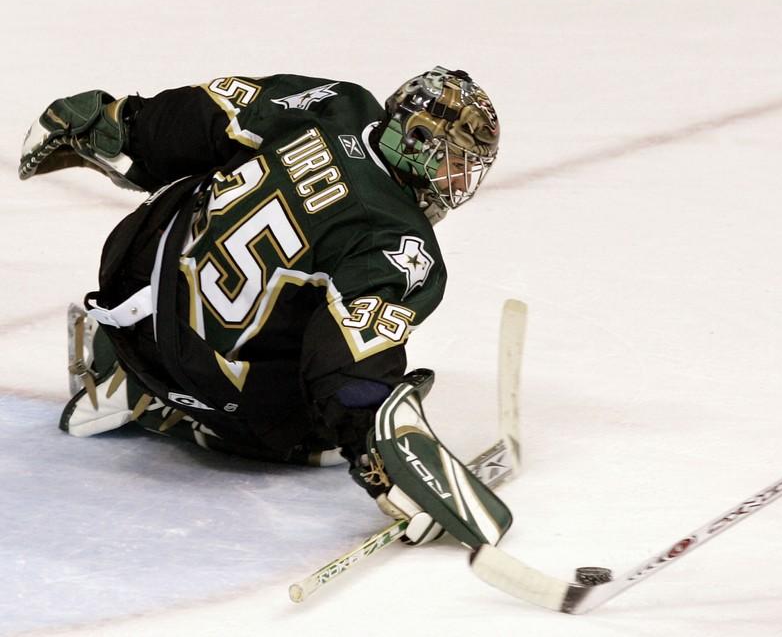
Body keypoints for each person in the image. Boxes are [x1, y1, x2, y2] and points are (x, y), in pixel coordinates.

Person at [19, 67, 511, 546]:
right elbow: (344, 369)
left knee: (207, 176)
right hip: (200, 376)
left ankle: (120, 365)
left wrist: (114, 122)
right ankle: (180, 412)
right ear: (417, 144)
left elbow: (197, 116)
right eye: (455, 161)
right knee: (322, 428)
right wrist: (379, 451)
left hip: (126, 284)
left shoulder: (335, 101)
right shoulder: (402, 241)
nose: (457, 179)